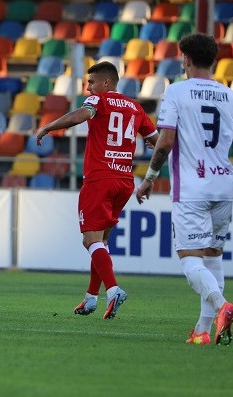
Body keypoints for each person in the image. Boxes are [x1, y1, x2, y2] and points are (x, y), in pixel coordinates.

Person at [136, 33, 233, 346]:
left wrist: (149, 177)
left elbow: (165, 141)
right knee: (213, 255)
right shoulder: (231, 96)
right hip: (224, 184)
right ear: (213, 60)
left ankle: (222, 306)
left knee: (190, 257)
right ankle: (201, 331)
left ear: (187, 59)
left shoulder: (177, 91)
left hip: (192, 186)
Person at [35, 61, 158, 319]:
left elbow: (80, 115)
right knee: (100, 241)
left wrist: (48, 126)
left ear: (106, 82)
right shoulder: (135, 107)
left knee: (91, 240)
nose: (88, 87)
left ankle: (113, 290)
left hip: (100, 179)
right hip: (124, 182)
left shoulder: (99, 101)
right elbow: (158, 142)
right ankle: (91, 297)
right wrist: (151, 156)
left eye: (91, 82)